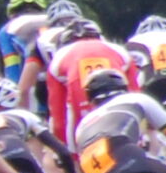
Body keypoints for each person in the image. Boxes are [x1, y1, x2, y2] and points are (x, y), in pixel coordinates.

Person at [43, 21, 134, 151]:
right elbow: (136, 94)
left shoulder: (58, 57)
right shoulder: (118, 49)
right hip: (118, 89)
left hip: (82, 95)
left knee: (72, 125)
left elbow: (59, 118)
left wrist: (65, 153)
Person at [0, 0, 50, 80]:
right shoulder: (49, 22)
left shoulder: (7, 30)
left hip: (34, 71)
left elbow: (13, 67)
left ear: (12, 13)